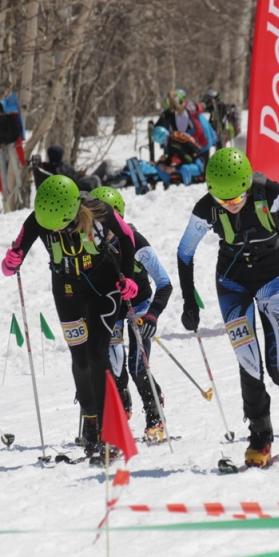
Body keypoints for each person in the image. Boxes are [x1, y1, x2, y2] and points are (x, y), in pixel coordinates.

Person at [176, 148, 279, 467]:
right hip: (232, 284)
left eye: (237, 197)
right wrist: (189, 301)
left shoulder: (269, 192)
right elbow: (184, 253)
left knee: (278, 365)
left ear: (247, 184)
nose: (232, 204)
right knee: (248, 363)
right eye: (224, 200)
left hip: (273, 278)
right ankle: (260, 436)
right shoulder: (206, 207)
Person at [1, 175, 137, 457]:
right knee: (81, 359)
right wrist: (11, 261)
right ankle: (90, 419)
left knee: (100, 353)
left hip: (104, 285)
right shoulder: (40, 216)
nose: (57, 230)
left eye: (62, 225)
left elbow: (127, 237)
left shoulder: (98, 208)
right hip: (66, 289)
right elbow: (17, 252)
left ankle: (109, 427)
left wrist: (129, 275)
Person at [92, 186, 173, 442]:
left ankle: (155, 415)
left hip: (139, 305)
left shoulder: (137, 242)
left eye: (105, 221)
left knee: (138, 365)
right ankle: (121, 404)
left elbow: (164, 283)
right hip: (112, 306)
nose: (100, 229)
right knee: (112, 361)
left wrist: (152, 315)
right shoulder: (89, 243)